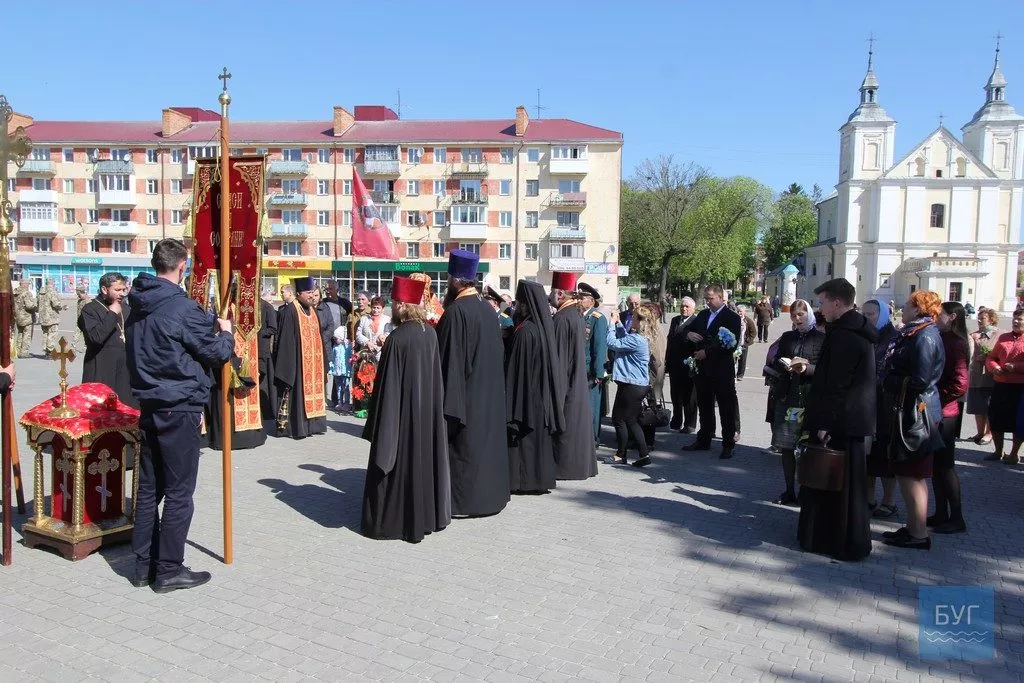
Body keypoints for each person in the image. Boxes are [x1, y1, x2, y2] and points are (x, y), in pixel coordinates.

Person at [126, 239, 234, 592]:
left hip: (150, 403)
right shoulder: (182, 308)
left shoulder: (137, 305)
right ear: (182, 266)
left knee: (148, 490)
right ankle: (169, 569)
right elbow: (215, 354)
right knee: (179, 492)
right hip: (179, 405)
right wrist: (227, 334)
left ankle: (143, 566)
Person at [361, 276, 450, 543]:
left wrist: (378, 423)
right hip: (426, 414)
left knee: (398, 464)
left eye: (394, 302)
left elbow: (387, 387)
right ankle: (424, 518)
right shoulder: (430, 333)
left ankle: (394, 522)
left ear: (401, 304)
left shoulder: (398, 338)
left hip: (400, 417)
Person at [800, 278, 875, 561]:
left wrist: (824, 424)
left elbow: (837, 384)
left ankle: (836, 541)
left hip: (842, 419)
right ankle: (840, 538)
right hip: (850, 418)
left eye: (822, 302)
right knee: (846, 485)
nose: (820, 308)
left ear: (837, 302)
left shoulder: (845, 335)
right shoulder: (851, 329)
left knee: (836, 484)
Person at [436, 251, 510, 516]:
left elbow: (448, 362)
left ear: (455, 281)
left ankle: (463, 503)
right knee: (484, 450)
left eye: (448, 278)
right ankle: (488, 498)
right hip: (487, 395)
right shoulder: (487, 310)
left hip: (465, 398)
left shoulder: (457, 312)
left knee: (465, 452)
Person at [879, 290, 945, 551]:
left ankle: (918, 534)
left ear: (919, 309)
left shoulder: (925, 336)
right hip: (908, 409)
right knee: (907, 473)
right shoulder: (914, 333)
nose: (902, 309)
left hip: (919, 413)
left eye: (907, 305)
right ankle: (913, 527)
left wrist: (888, 379)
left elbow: (920, 379)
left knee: (914, 474)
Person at [505, 280, 565, 494]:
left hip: (526, 397)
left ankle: (525, 481)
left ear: (526, 304)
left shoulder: (525, 332)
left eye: (520, 302)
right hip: (539, 397)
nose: (517, 306)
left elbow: (516, 371)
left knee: (526, 445)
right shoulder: (539, 328)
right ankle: (539, 479)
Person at [766, 300, 824, 506]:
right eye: (793, 315)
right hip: (788, 396)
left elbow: (825, 369)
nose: (797, 319)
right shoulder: (788, 337)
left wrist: (806, 368)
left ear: (808, 314)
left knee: (807, 446)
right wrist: (784, 365)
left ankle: (806, 490)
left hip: (808, 397)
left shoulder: (820, 338)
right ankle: (789, 490)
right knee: (786, 445)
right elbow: (776, 360)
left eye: (801, 314)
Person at [682, 285, 742, 459]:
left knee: (726, 407)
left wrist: (707, 352)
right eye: (706, 299)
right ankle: (704, 438)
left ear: (721, 298)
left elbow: (731, 344)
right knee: (705, 405)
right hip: (703, 370)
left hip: (722, 370)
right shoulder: (703, 315)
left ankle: (728, 443)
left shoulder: (732, 317)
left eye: (710, 298)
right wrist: (689, 335)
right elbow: (687, 330)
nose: (707, 302)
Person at [549, 272, 597, 480]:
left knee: (567, 429)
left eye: (552, 292)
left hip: (567, 385)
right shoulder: (574, 315)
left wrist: (554, 397)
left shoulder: (561, 318)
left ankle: (564, 469)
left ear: (560, 293)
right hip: (576, 381)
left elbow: (559, 361)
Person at [930, 301, 969, 534]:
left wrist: (938, 396)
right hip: (939, 411)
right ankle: (941, 512)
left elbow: (960, 383)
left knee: (945, 466)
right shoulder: (944, 338)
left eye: (940, 315)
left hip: (946, 413)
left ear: (952, 317)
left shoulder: (956, 342)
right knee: (936, 466)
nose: (936, 318)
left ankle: (956, 517)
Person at [273, 276, 328, 439]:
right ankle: (298, 428)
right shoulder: (291, 310)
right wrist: (289, 367)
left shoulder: (312, 310)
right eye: (308, 292)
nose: (312, 295)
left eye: (313, 292)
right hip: (298, 363)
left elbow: (319, 336)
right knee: (298, 396)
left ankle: (313, 426)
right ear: (299, 294)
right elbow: (285, 340)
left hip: (313, 364)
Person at [861, 298, 899, 519]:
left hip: (884, 406)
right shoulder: (866, 336)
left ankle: (889, 501)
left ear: (882, 314)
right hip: (866, 403)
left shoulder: (893, 338)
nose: (866, 318)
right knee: (867, 455)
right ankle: (868, 498)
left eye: (871, 314)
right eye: (864, 314)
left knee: (884, 455)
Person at [606, 305, 657, 466]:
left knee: (619, 419)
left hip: (631, 385)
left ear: (639, 321)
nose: (632, 319)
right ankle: (643, 455)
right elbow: (624, 338)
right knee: (631, 421)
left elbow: (612, 343)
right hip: (637, 385)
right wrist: (620, 324)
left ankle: (621, 455)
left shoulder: (637, 339)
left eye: (634, 317)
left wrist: (611, 323)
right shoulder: (640, 337)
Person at [78, 272, 136, 408]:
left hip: (125, 371)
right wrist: (111, 314)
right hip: (101, 370)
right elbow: (96, 337)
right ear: (104, 289)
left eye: (124, 290)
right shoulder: (90, 310)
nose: (122, 294)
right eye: (117, 290)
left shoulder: (126, 309)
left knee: (127, 411)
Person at [984, 308, 1024, 463]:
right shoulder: (1003, 337)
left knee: (1018, 421)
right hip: (1001, 385)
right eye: (1015, 318)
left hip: (1020, 387)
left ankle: (1014, 453)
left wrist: (1017, 368)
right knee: (996, 418)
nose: (1016, 321)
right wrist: (994, 367)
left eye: (1020, 319)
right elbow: (991, 357)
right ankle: (998, 451)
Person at [579, 283, 609, 444]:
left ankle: (593, 438)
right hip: (579, 368)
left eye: (582, 297)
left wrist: (598, 373)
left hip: (590, 370)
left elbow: (599, 347)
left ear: (591, 300)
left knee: (592, 406)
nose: (579, 299)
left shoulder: (598, 319)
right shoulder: (579, 316)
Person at [966, 308, 1000, 445]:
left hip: (989, 376)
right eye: (978, 318)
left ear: (991, 319)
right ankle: (980, 432)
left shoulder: (998, 335)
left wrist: (987, 356)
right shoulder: (974, 335)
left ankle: (989, 433)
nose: (979, 321)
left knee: (988, 406)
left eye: (983, 318)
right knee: (977, 405)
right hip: (975, 374)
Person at [666, 297, 698, 434]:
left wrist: (685, 335)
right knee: (675, 394)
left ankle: (690, 423)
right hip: (674, 363)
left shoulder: (696, 322)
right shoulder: (675, 320)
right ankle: (677, 419)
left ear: (693, 309)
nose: (684, 309)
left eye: (687, 307)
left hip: (688, 364)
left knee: (689, 396)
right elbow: (670, 339)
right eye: (682, 306)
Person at [641, 301, 668, 450]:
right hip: (656, 373)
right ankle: (646, 439)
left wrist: (649, 378)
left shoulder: (654, 330)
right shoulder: (658, 328)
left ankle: (647, 441)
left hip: (652, 374)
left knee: (649, 408)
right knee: (649, 406)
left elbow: (656, 357)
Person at [258, 287, 278, 421]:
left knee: (263, 381)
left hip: (262, 350)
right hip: (249, 351)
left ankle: (266, 411)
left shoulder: (267, 307)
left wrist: (259, 332)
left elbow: (272, 328)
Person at [36, 279, 65, 359]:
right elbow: (56, 304)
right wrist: (61, 307)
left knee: (45, 333)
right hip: (51, 317)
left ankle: (46, 351)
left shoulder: (41, 292)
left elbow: (37, 303)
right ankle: (51, 352)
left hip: (43, 317)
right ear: (52, 283)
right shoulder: (52, 292)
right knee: (52, 333)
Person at [329, 326, 352, 412]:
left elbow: (350, 356)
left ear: (342, 338)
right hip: (337, 371)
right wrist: (332, 367)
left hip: (345, 371)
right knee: (338, 387)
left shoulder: (347, 347)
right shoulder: (335, 347)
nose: (335, 340)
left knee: (345, 387)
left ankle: (346, 403)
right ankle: (339, 402)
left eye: (337, 338)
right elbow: (333, 357)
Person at [13, 279, 36, 359]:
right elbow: (29, 305)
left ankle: (18, 351)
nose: (29, 285)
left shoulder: (15, 293)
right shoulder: (26, 293)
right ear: (25, 284)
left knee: (20, 334)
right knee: (27, 335)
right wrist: (35, 306)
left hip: (18, 317)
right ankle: (24, 352)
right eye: (28, 284)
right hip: (26, 317)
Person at [735, 304, 756, 380]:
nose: (739, 313)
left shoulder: (748, 321)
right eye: (738, 311)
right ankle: (732, 374)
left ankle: (740, 375)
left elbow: (753, 332)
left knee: (742, 360)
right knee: (733, 360)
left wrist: (748, 340)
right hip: (734, 344)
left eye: (740, 311)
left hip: (743, 344)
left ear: (744, 312)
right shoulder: (734, 319)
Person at [71, 285, 91, 352]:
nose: (77, 295)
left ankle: (86, 347)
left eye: (78, 294)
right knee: (76, 333)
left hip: (86, 321)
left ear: (81, 292)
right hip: (79, 320)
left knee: (86, 335)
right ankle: (73, 346)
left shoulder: (88, 301)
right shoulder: (79, 300)